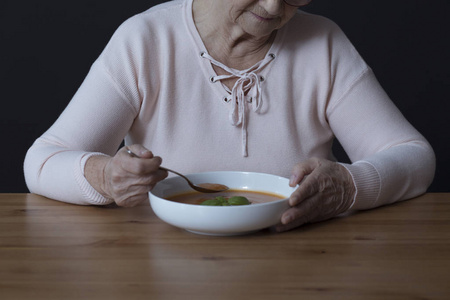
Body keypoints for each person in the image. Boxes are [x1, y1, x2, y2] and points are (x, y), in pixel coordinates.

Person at [24, 0, 435, 232]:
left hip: (303, 265)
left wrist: (348, 185)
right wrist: (105, 177)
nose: (275, 6)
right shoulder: (145, 41)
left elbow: (414, 155)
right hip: (161, 267)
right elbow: (41, 161)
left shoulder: (323, 43)